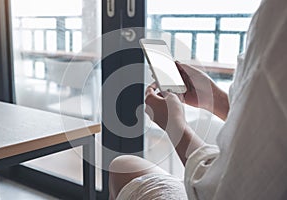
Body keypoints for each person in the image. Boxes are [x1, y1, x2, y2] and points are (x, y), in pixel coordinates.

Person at [109, 0, 287, 199]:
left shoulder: (278, 19)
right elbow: (269, 123)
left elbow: (221, 189)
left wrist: (175, 126)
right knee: (123, 166)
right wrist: (216, 98)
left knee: (121, 167)